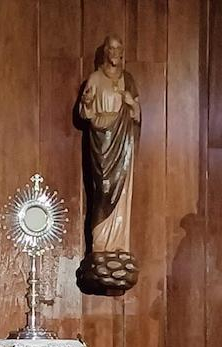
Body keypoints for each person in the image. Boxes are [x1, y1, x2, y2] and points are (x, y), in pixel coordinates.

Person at [76, 35, 141, 296]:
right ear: (105, 52)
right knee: (103, 192)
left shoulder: (129, 79)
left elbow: (137, 114)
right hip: (102, 143)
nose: (115, 52)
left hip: (123, 143)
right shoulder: (95, 78)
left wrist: (130, 102)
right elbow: (84, 113)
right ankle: (101, 246)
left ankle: (118, 246)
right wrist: (89, 102)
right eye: (110, 48)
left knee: (122, 193)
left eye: (118, 48)